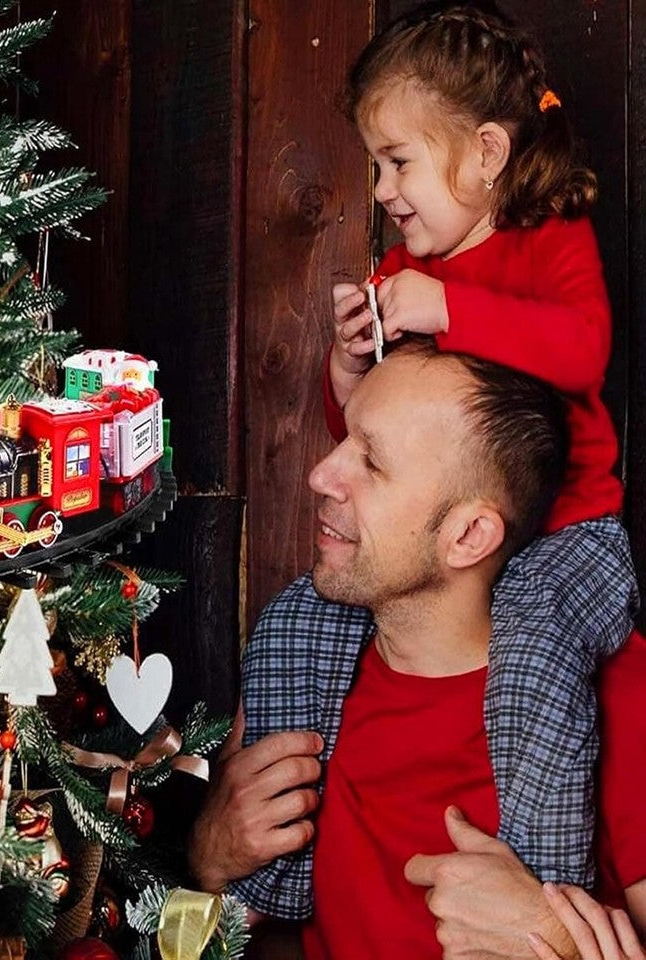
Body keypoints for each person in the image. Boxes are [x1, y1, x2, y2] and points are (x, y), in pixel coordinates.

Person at [252, 0, 639, 905]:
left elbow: (583, 352)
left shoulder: (544, 240)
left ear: (487, 155)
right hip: (452, 549)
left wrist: (445, 310)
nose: (383, 189)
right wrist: (348, 363)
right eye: (375, 164)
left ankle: (537, 896)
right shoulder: (403, 276)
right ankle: (280, 878)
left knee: (538, 651)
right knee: (296, 621)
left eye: (399, 162)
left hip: (566, 540)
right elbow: (368, 426)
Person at [188, 341, 646, 958]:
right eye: (346, 439)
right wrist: (209, 853)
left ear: (468, 535)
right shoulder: (304, 669)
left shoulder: (617, 691)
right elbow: (218, 930)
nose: (321, 475)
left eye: (372, 463)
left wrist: (554, 934)